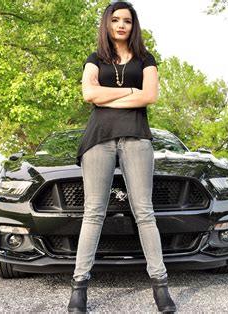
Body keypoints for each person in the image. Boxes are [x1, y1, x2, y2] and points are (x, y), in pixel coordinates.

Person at [67, 1, 176, 313]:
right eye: (115, 20)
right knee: (94, 213)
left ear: (133, 25)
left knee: (144, 212)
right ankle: (79, 287)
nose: (121, 25)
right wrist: (131, 92)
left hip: (137, 139)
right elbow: (89, 94)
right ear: (108, 24)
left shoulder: (146, 59)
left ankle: (160, 286)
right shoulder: (95, 58)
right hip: (98, 139)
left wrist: (110, 93)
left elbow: (150, 95)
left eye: (127, 20)